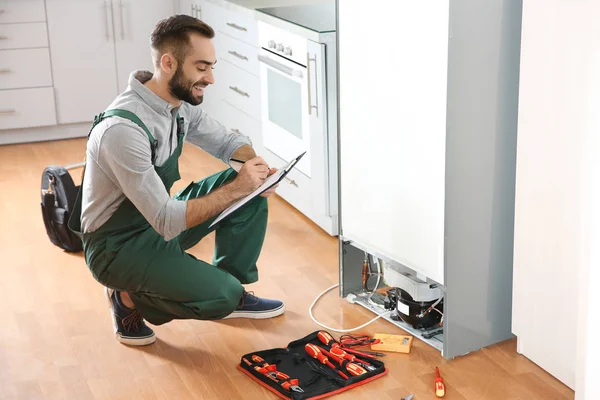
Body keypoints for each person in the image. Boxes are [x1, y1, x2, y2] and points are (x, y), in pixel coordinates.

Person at [68, 14, 285, 346]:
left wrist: (255, 170)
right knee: (220, 296)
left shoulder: (178, 105)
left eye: (212, 67)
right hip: (118, 248)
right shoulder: (123, 130)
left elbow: (228, 143)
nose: (210, 78)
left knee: (245, 183)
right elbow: (167, 222)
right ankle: (126, 298)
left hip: (154, 222)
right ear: (168, 63)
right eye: (201, 67)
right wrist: (239, 187)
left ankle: (229, 285)